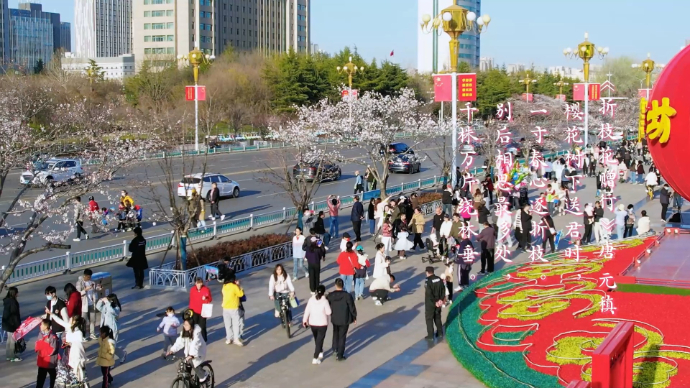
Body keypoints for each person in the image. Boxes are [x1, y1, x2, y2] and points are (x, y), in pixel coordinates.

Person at [47, 311, 87, 383]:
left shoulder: (79, 333)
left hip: (74, 353)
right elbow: (60, 321)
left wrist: (71, 344)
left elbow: (80, 345)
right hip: (67, 351)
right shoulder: (69, 327)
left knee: (74, 373)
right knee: (65, 371)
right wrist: (51, 314)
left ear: (74, 321)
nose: (69, 319)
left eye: (71, 318)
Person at [166, 319, 208, 383]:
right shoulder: (184, 332)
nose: (184, 326)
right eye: (184, 324)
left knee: (192, 362)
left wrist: (192, 355)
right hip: (189, 353)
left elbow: (195, 344)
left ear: (191, 325)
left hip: (198, 353)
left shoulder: (196, 333)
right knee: (185, 367)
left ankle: (203, 374)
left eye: (186, 325)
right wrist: (172, 350)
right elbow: (179, 342)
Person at [326, 278, 357, 361]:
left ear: (335, 285)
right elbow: (352, 307)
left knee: (335, 333)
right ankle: (340, 355)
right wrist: (354, 317)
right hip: (344, 318)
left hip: (335, 318)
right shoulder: (347, 295)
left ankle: (335, 349)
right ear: (343, 285)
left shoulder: (331, 295)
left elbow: (327, 304)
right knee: (342, 336)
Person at [302, 285, 331, 365]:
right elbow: (329, 312)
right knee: (319, 340)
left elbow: (307, 310)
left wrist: (305, 320)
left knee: (317, 339)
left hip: (313, 323)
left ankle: (320, 351)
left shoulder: (311, 300)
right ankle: (315, 357)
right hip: (322, 324)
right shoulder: (325, 301)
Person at [96, 294, 127, 363]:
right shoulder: (106, 306)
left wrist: (107, 302)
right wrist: (101, 300)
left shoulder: (116, 308)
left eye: (109, 300)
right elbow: (98, 307)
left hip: (112, 329)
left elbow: (112, 312)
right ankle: (122, 354)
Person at [44, 286, 68, 356]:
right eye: (46, 294)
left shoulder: (61, 303)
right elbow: (48, 315)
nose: (47, 296)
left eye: (48, 294)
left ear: (53, 294)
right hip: (51, 329)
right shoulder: (49, 303)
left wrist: (67, 330)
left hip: (60, 330)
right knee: (53, 347)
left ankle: (61, 363)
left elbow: (65, 317)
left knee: (60, 348)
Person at [75, 268, 98, 339]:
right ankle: (83, 335)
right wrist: (85, 290)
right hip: (84, 305)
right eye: (88, 277)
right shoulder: (79, 283)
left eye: (90, 277)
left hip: (91, 303)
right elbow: (78, 294)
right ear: (84, 275)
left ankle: (92, 333)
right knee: (83, 321)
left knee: (92, 320)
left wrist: (98, 288)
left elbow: (94, 289)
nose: (89, 278)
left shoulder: (91, 282)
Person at [35, 319, 58, 388]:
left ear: (46, 326)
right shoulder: (40, 334)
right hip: (42, 361)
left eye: (41, 324)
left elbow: (53, 349)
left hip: (49, 361)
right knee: (40, 378)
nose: (40, 326)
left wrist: (43, 352)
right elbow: (37, 344)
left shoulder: (52, 337)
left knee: (53, 376)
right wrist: (38, 350)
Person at [424, 266, 446, 341]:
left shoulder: (428, 281)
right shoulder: (439, 279)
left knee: (429, 319)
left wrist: (435, 302)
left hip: (431, 303)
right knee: (437, 317)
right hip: (439, 302)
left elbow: (429, 294)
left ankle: (430, 335)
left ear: (427, 272)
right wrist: (441, 300)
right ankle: (440, 333)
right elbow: (443, 289)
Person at [222, 277, 245, 346]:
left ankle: (229, 338)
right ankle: (236, 339)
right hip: (233, 307)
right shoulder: (234, 287)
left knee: (227, 324)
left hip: (225, 307)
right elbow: (240, 294)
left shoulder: (224, 287)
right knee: (235, 324)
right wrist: (239, 286)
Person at [188, 277, 212, 342]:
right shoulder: (192, 289)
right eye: (198, 283)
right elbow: (191, 300)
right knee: (194, 325)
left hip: (203, 311)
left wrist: (206, 298)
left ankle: (204, 339)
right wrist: (190, 309)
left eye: (200, 283)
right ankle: (194, 338)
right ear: (195, 283)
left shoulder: (206, 289)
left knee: (202, 326)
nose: (199, 285)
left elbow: (210, 299)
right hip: (194, 310)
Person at [3, 286, 21, 362]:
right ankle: (12, 356)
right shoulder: (13, 302)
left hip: (6, 323)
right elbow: (15, 315)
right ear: (14, 293)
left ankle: (8, 355)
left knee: (9, 340)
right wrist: (18, 326)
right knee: (13, 340)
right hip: (12, 324)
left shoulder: (7, 301)